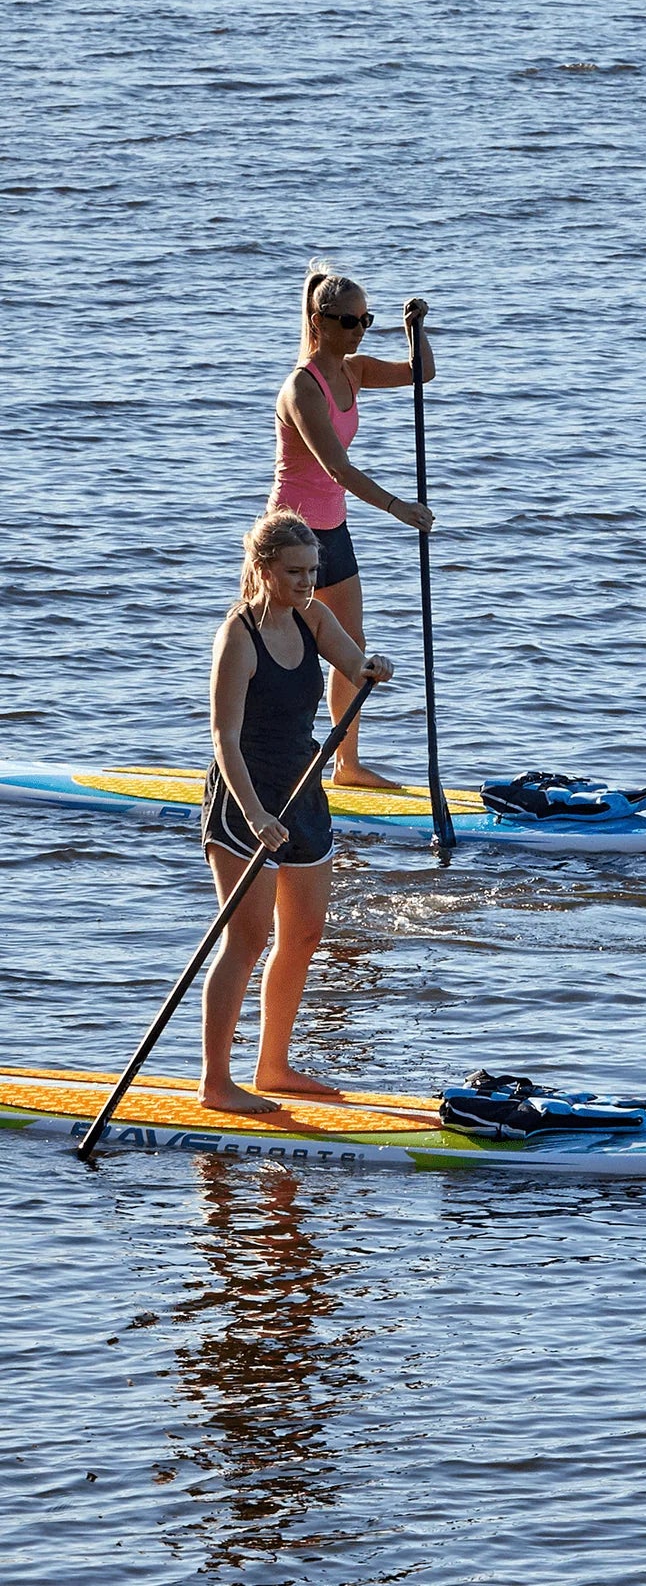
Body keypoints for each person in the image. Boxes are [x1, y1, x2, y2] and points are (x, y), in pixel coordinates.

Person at [199, 508, 393, 1112]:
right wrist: (255, 814)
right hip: (245, 799)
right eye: (295, 572)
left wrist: (370, 668)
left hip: (304, 788)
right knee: (247, 938)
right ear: (263, 569)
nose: (308, 582)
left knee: (305, 933)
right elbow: (224, 741)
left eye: (313, 570)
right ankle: (215, 1082)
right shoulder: (238, 636)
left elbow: (349, 660)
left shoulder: (311, 615)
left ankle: (273, 1066)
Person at [271, 262, 433, 789]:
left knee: (352, 649)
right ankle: (261, 760)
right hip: (290, 535)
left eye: (366, 319)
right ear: (319, 322)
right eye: (348, 321)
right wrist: (397, 507)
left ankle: (347, 765)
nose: (359, 330)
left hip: (334, 531)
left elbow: (420, 373)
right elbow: (335, 466)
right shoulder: (302, 387)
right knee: (279, 652)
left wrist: (416, 331)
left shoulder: (355, 370)